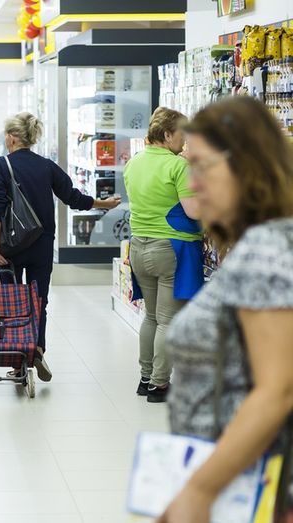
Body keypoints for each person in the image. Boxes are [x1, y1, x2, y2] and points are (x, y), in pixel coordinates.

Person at [157, 98, 293, 522]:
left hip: (247, 486)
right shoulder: (266, 241)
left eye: (202, 166)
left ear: (245, 165)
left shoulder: (266, 249)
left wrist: (200, 489)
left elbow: (277, 389)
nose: (192, 182)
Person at [0, 112, 120, 382]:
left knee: (13, 302)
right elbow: (72, 197)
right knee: (39, 301)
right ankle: (36, 348)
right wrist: (103, 204)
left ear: (12, 138)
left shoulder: (2, 165)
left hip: (10, 247)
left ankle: (17, 358)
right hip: (42, 244)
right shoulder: (46, 166)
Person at [124, 107, 202, 404]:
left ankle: (145, 378)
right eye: (181, 135)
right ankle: (159, 385)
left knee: (152, 317)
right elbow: (193, 210)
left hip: (139, 246)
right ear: (167, 134)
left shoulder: (134, 162)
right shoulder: (177, 166)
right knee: (169, 320)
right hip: (172, 247)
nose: (184, 142)